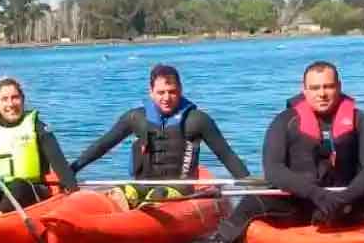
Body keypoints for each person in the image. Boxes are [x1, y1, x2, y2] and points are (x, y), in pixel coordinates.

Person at [180, 60, 364, 243]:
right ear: (305, 90)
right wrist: (316, 194)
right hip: (301, 203)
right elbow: (274, 170)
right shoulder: (284, 121)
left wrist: (345, 199)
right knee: (252, 203)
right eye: (315, 88)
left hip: (349, 202)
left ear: (339, 87)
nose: (322, 93)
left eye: (328, 87)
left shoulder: (361, 121)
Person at [70, 63, 251, 208]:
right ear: (151, 92)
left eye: (172, 92)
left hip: (178, 188)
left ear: (180, 90)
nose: (166, 98)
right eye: (161, 92)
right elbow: (103, 145)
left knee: (157, 197)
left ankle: (145, 215)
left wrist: (249, 184)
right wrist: (72, 169)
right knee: (120, 192)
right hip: (142, 185)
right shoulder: (136, 117)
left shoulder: (198, 120)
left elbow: (226, 155)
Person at [0, 77, 78, 212]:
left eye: (15, 97)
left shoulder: (38, 127)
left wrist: (76, 195)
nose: (10, 104)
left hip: (31, 192)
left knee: (18, 185)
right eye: (4, 99)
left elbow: (61, 166)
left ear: (23, 100)